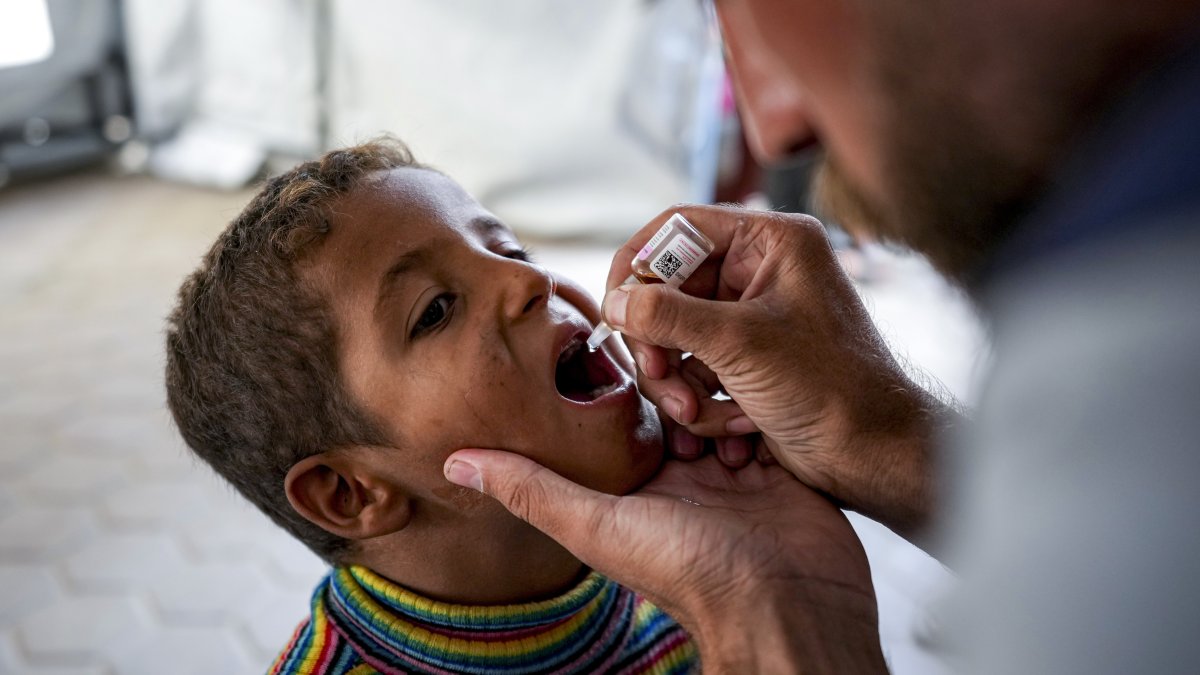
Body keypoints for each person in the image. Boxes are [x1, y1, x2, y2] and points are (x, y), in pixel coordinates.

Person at [443, 1, 1200, 672]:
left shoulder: (1134, 378)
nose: (776, 129)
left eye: (512, 249)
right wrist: (876, 435)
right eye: (433, 310)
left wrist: (767, 611)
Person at [164, 138, 700, 674]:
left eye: (510, 251)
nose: (530, 279)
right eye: (436, 310)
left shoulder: (698, 553)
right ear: (351, 493)